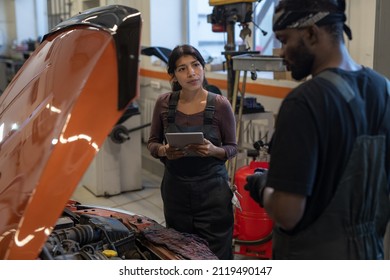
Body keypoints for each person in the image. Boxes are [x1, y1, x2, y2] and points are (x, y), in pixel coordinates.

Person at [244, 0, 390, 259]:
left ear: (311, 33)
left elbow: (287, 214)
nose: (280, 52)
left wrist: (262, 186)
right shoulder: (384, 90)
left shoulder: (303, 102)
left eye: (285, 39)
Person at [147, 44, 238, 259]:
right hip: (175, 190)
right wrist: (164, 150)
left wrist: (214, 150)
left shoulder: (220, 105)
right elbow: (152, 143)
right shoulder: (163, 104)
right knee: (179, 251)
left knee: (216, 253)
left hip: (212, 193)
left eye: (196, 65)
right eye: (182, 69)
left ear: (203, 68)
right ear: (173, 75)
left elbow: (232, 148)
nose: (191, 73)